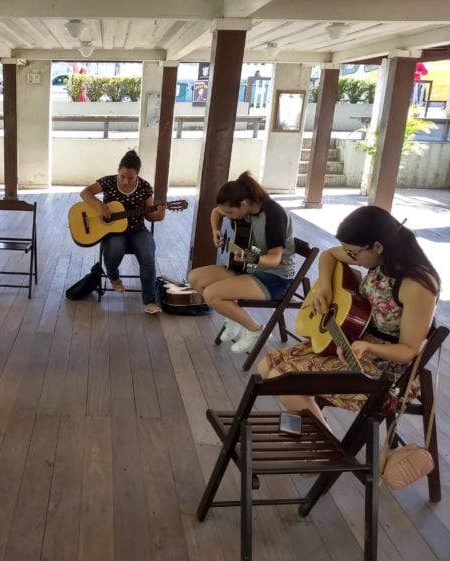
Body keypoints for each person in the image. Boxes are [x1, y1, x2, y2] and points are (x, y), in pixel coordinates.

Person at [258, 206, 440, 427]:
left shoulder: (417, 286)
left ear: (378, 246)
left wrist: (368, 347)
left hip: (386, 370)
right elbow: (330, 254)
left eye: (354, 253)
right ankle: (313, 435)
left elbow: (408, 351)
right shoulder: (380, 259)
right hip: (353, 342)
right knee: (266, 367)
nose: (352, 258)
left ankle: (325, 448)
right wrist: (325, 287)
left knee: (283, 380)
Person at [188, 171, 296, 353]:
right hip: (249, 267)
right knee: (195, 278)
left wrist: (249, 257)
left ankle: (256, 332)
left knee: (212, 295)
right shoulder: (245, 210)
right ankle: (232, 318)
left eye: (230, 212)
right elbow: (217, 211)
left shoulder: (274, 215)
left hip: (275, 277)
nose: (227, 216)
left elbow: (274, 260)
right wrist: (215, 230)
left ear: (243, 204)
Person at [80, 150, 165, 314]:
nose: (125, 181)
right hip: (113, 232)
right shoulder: (108, 181)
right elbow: (85, 193)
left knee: (148, 255)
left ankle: (150, 301)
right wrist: (101, 206)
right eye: (122, 176)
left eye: (131, 178)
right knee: (114, 248)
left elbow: (148, 215)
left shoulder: (145, 187)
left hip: (137, 230)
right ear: (118, 171)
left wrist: (158, 216)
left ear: (137, 175)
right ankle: (113, 277)